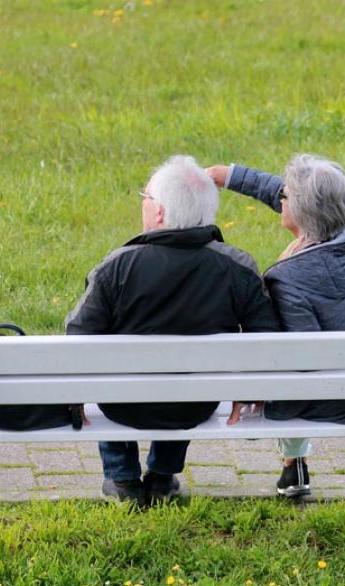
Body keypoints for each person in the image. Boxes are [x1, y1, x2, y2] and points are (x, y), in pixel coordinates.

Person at [66, 155, 280, 505]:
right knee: (189, 376)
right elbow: (266, 335)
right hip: (195, 404)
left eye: (145, 198)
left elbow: (78, 339)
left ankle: (122, 478)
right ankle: (163, 478)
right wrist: (249, 386)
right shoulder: (237, 267)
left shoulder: (117, 267)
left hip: (123, 404)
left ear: (161, 212)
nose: (143, 206)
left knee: (110, 370)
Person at [207, 155, 345, 498]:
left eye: (285, 197)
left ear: (302, 214)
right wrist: (229, 176)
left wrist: (265, 406)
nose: (279, 198)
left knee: (282, 374)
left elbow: (302, 365)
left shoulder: (290, 279)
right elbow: (296, 195)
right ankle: (293, 464)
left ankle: (293, 460)